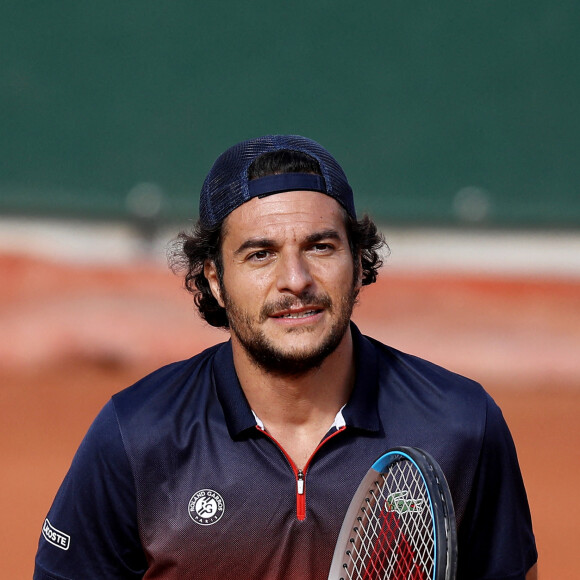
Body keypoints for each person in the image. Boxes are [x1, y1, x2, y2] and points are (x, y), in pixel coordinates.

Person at [34, 135, 538, 579]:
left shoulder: (461, 425)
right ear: (215, 279)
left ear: (358, 264)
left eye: (320, 247)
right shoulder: (136, 435)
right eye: (260, 254)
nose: (295, 279)